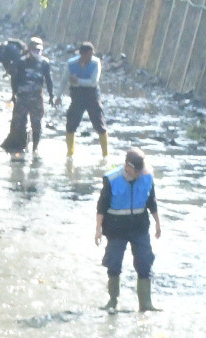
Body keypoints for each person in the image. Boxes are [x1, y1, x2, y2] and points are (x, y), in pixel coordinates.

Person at [95, 148, 161, 312]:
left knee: (145, 262)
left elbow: (151, 201)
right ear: (127, 166)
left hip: (139, 227)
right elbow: (101, 206)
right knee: (114, 263)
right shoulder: (112, 179)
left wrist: (158, 223)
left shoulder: (147, 176)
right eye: (136, 171)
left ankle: (146, 304)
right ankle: (112, 301)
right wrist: (98, 229)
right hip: (116, 228)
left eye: (140, 171)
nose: (139, 174)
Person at [3, 38, 54, 158]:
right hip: (22, 97)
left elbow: (48, 80)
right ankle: (20, 146)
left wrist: (51, 95)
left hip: (37, 97)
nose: (37, 52)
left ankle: (35, 148)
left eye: (39, 50)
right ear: (30, 49)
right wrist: (14, 94)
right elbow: (14, 79)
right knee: (18, 123)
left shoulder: (44, 63)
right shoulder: (21, 62)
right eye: (35, 49)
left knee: (37, 124)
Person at [65, 42, 107, 157]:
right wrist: (58, 96)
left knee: (99, 123)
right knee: (71, 122)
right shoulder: (71, 63)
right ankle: (70, 153)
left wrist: (77, 81)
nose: (90, 57)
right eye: (88, 55)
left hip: (92, 94)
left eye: (91, 54)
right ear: (81, 54)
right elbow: (65, 79)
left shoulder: (95, 63)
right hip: (77, 94)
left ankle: (105, 154)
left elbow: (93, 82)